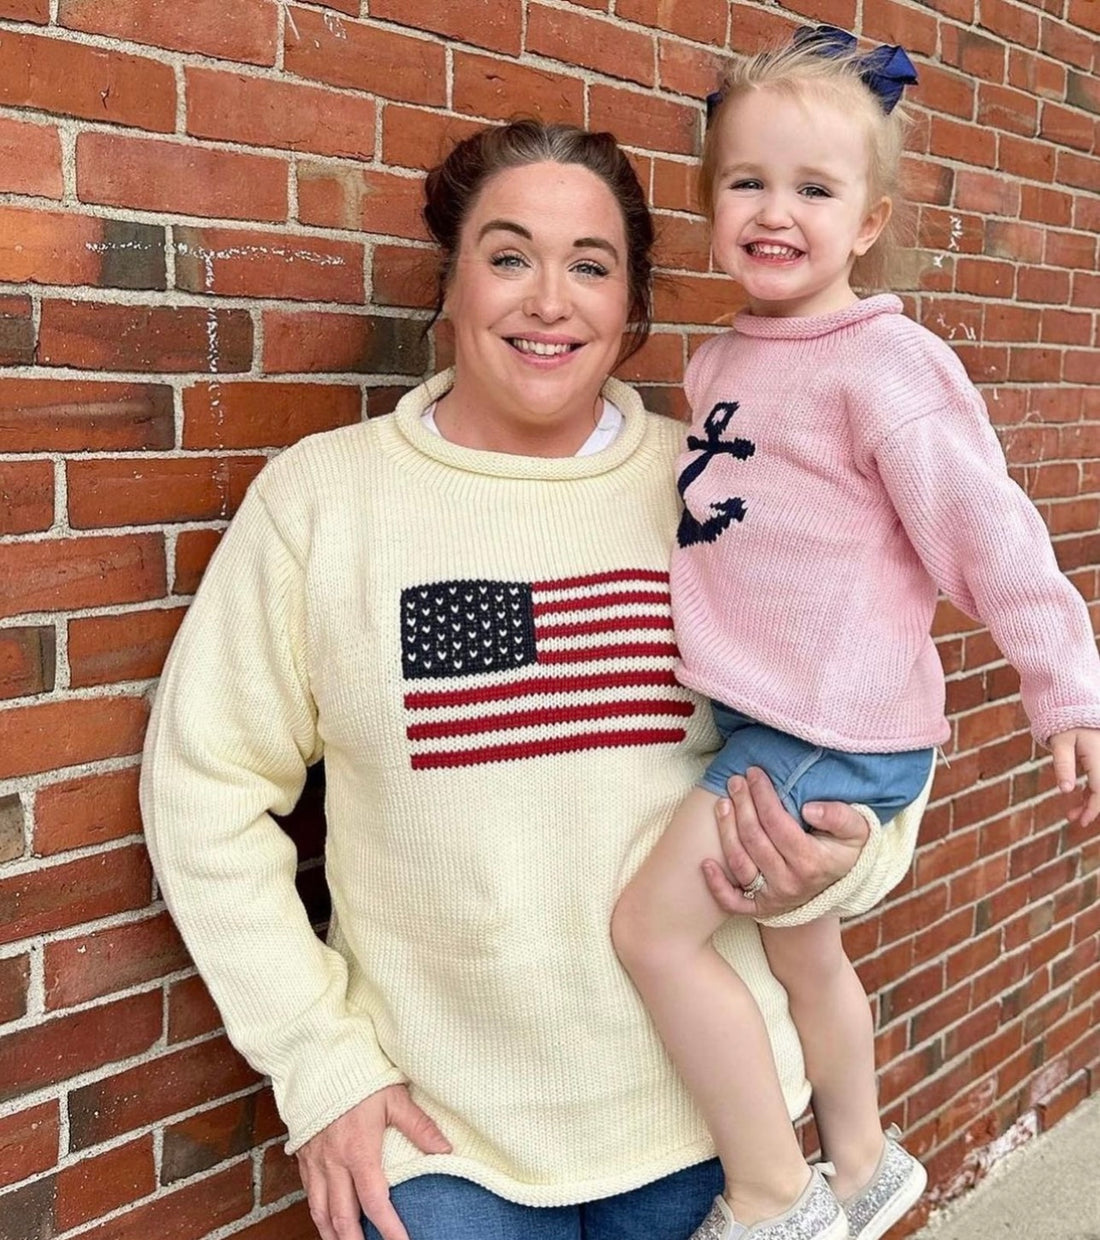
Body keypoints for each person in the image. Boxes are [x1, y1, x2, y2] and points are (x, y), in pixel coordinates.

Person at [139, 119, 933, 1240]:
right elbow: (204, 788)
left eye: (591, 266)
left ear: (631, 306)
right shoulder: (323, 500)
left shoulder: (713, 484)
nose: (548, 301)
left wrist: (847, 862)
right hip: (444, 1149)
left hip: (713, 1138)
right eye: (508, 256)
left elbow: (864, 693)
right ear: (452, 284)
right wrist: (319, 1064)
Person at [611, 27, 1100, 1240]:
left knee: (651, 931)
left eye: (813, 190)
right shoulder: (718, 355)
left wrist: (1066, 689)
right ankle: (866, 1161)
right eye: (746, 182)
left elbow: (990, 536)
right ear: (710, 202)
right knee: (801, 956)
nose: (776, 213)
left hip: (823, 722)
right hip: (769, 711)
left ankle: (774, 1194)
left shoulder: (886, 364)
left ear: (868, 220)